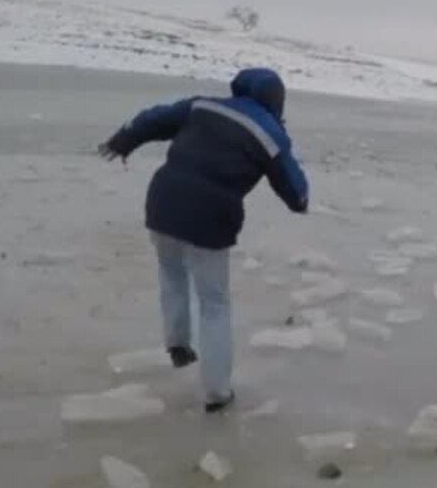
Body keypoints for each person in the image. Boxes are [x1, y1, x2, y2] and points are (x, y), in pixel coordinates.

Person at [98, 68, 310, 413]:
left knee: (171, 273)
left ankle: (178, 343)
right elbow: (295, 191)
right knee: (214, 305)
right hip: (209, 218)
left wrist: (121, 141)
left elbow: (154, 119)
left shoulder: (203, 105)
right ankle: (217, 392)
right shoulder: (270, 133)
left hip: (163, 203)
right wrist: (301, 200)